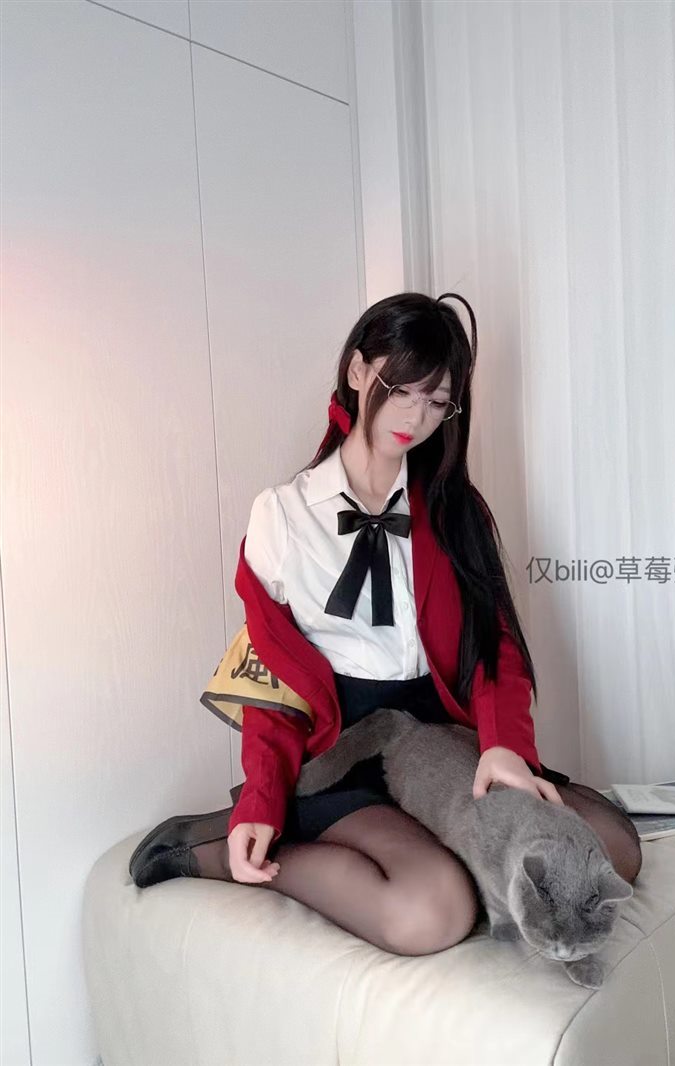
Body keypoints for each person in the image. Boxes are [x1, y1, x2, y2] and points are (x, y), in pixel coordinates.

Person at [129, 292, 641, 956]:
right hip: (342, 745)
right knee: (430, 913)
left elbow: (495, 648)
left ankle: (435, 836)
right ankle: (222, 850)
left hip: (436, 734)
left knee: (614, 849)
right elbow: (270, 682)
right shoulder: (282, 517)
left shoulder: (453, 508)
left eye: (437, 401)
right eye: (401, 390)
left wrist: (503, 746)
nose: (415, 417)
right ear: (356, 371)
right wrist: (261, 799)